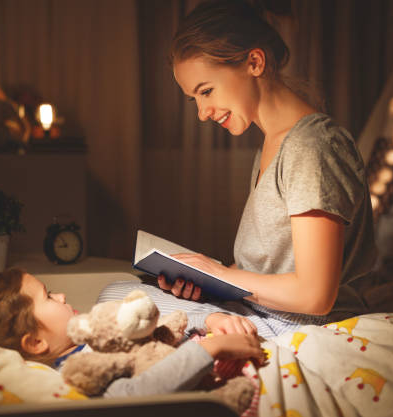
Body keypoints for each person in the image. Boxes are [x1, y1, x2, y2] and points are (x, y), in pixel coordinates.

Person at [98, 0, 377, 338]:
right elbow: (259, 273)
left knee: (118, 307)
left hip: (299, 324)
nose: (202, 113)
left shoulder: (312, 147)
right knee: (116, 293)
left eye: (207, 91)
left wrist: (220, 274)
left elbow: (315, 295)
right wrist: (205, 283)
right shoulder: (270, 147)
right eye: (194, 99)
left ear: (254, 62)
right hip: (257, 310)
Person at [0, 268, 265, 398]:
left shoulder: (89, 341)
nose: (62, 297)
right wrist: (211, 349)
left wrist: (200, 326)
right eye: (49, 295)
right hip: (224, 378)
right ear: (36, 342)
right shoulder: (78, 372)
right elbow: (133, 394)